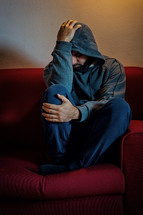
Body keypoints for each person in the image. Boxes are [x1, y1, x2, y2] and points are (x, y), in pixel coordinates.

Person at [39, 20, 132, 175]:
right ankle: (60, 161)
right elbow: (60, 92)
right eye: (69, 54)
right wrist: (62, 44)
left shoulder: (112, 67)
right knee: (54, 91)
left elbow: (109, 102)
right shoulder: (52, 69)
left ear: (90, 51)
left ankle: (73, 167)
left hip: (98, 139)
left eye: (78, 54)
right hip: (68, 138)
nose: (73, 60)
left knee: (121, 107)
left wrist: (77, 112)